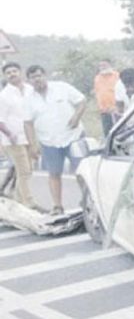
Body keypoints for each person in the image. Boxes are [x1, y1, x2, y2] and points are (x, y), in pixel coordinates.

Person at [24, 65, 86, 215]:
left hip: (73, 138)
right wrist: (32, 145)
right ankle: (58, 206)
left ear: (45, 75)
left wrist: (77, 117)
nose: (37, 79)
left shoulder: (62, 87)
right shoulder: (28, 100)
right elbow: (28, 123)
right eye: (33, 77)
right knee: (54, 174)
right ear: (29, 80)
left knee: (83, 172)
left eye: (39, 75)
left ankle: (89, 200)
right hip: (49, 142)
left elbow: (82, 101)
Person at [0, 62, 38, 209]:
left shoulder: (30, 90)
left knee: (30, 169)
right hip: (13, 139)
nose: (12, 74)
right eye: (8, 73)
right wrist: (10, 134)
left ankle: (17, 200)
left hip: (31, 136)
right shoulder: (4, 96)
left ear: (20, 72)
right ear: (5, 76)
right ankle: (29, 202)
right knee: (23, 171)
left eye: (14, 71)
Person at [93, 58, 119, 137]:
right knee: (107, 134)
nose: (102, 67)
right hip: (104, 111)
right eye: (100, 66)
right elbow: (98, 93)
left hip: (116, 110)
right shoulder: (97, 78)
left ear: (110, 65)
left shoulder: (117, 76)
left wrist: (116, 107)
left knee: (118, 132)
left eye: (104, 65)